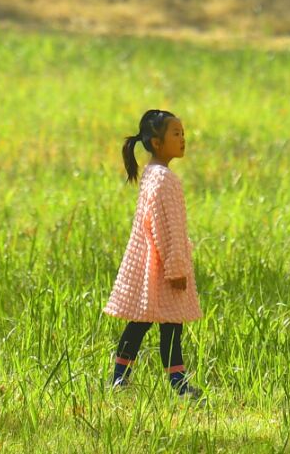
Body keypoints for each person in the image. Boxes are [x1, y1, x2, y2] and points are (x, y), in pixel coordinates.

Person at [103, 108, 202, 397]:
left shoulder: (153, 174)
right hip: (162, 268)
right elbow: (166, 227)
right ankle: (177, 384)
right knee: (168, 326)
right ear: (157, 143)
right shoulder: (164, 180)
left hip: (151, 265)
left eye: (183, 133)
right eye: (175, 133)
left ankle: (122, 378)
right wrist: (177, 268)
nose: (183, 139)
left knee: (141, 322)